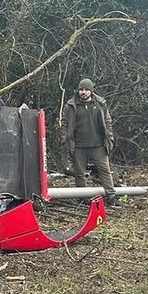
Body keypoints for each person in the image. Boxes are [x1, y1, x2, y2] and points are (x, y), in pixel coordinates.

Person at [62, 78, 119, 207]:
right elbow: (64, 123)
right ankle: (83, 198)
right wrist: (65, 138)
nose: (84, 92)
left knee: (105, 170)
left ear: (91, 91)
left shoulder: (100, 104)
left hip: (98, 145)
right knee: (79, 173)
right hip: (78, 146)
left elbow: (108, 122)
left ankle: (111, 197)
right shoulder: (70, 105)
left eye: (87, 90)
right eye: (81, 89)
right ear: (78, 91)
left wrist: (109, 138)